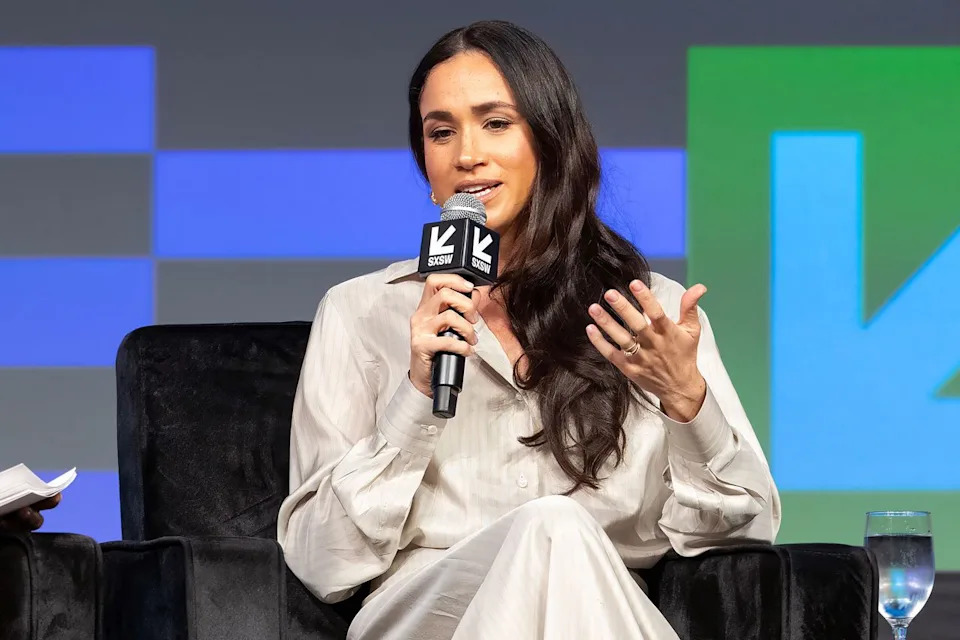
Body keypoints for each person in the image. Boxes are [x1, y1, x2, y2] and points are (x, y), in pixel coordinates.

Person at [277, 19, 781, 640]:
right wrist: (415, 397)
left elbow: (747, 530)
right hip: (427, 615)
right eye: (441, 132)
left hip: (598, 604)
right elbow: (320, 561)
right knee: (554, 527)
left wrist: (687, 402)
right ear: (425, 165)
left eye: (496, 123)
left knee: (560, 537)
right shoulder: (359, 313)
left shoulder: (647, 311)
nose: (466, 155)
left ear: (549, 139)